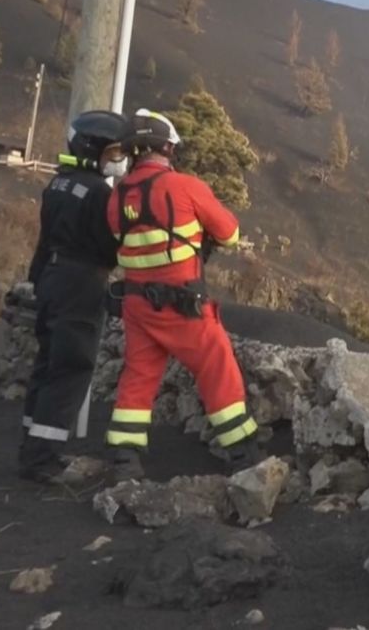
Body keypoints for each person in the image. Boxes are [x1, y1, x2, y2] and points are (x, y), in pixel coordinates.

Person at [104, 108, 261, 481]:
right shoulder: (186, 187)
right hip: (184, 304)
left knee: (139, 376)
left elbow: (119, 244)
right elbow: (230, 234)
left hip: (138, 305)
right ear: (167, 149)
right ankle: (241, 452)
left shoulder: (116, 198)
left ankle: (125, 460)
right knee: (217, 365)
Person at [20, 110, 132, 484]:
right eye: (114, 152)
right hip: (81, 282)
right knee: (71, 368)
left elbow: (44, 238)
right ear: (94, 149)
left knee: (48, 361)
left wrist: (37, 280)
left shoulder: (58, 183)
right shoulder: (100, 192)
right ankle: (43, 460)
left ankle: (32, 444)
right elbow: (108, 248)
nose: (118, 160)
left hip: (52, 277)